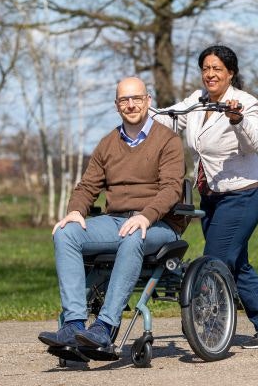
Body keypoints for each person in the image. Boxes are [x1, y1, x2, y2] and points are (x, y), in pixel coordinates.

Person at [38, 77, 186, 355]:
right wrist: (74, 211)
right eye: (124, 100)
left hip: (159, 223)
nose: (131, 104)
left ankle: (104, 327)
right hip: (116, 220)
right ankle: (73, 324)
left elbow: (171, 189)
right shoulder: (107, 144)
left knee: (133, 235)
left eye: (137, 98)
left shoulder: (168, 140)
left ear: (148, 101)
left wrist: (146, 216)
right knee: (65, 233)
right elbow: (87, 186)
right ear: (117, 105)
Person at [155, 45, 258, 349]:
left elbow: (256, 142)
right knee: (236, 262)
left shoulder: (244, 102)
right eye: (206, 68)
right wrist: (142, 109)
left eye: (217, 69)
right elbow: (171, 118)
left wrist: (236, 120)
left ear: (231, 73)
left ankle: (210, 328)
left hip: (243, 194)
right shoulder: (197, 101)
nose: (210, 74)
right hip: (211, 196)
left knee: (214, 261)